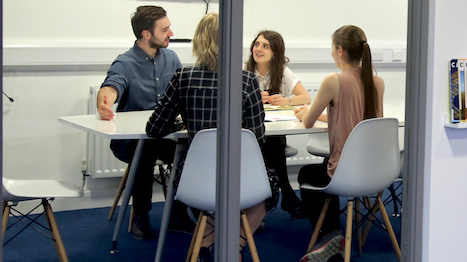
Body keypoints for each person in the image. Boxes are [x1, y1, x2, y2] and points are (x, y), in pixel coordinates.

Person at [146, 13, 270, 262]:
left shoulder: (183, 78)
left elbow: (154, 128)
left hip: (195, 179)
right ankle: (234, 247)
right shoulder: (246, 81)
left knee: (209, 201)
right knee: (265, 194)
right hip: (240, 177)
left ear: (199, 41)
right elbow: (257, 135)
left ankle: (205, 243)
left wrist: (181, 122)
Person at [97, 5, 193, 240]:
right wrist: (105, 102)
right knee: (145, 147)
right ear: (146, 34)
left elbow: (183, 91)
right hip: (133, 142)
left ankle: (178, 214)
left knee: (192, 146)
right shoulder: (125, 62)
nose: (171, 33)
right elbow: (111, 86)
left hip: (167, 136)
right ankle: (141, 214)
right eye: (165, 29)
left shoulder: (171, 58)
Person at [294, 25, 385, 262]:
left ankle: (330, 234)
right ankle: (334, 234)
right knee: (326, 165)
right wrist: (326, 115)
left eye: (333, 49)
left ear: (341, 50)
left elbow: (307, 122)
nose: (332, 54)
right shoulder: (377, 82)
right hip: (374, 171)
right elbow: (366, 121)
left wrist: (304, 113)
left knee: (308, 173)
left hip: (344, 172)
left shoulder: (333, 80)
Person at [245, 30, 310, 219]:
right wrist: (254, 97)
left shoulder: (281, 71)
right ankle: (287, 194)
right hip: (249, 130)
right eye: (257, 44)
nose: (259, 49)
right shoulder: (243, 70)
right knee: (272, 147)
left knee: (274, 144)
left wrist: (286, 101)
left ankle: (265, 203)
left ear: (276, 52)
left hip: (272, 128)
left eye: (266, 46)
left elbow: (305, 97)